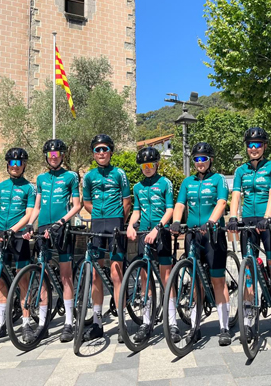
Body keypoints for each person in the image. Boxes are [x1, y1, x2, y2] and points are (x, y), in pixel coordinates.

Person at [228, 127, 271, 346]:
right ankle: (248, 321)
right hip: (248, 221)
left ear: (264, 146)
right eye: (250, 145)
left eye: (257, 144)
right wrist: (233, 217)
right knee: (248, 273)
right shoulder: (240, 171)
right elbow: (236, 195)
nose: (253, 148)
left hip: (269, 221)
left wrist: (266, 217)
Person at [170, 142, 231, 345]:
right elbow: (180, 203)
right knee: (196, 280)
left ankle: (224, 327)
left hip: (213, 233)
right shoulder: (187, 182)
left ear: (210, 160)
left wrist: (211, 221)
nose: (200, 162)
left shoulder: (218, 179)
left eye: (203, 158)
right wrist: (176, 221)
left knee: (217, 280)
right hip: (193, 235)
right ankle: (195, 325)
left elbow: (222, 202)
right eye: (196, 159)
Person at [23, 139, 82, 343]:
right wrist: (30, 224)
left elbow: (77, 205)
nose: (53, 157)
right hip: (43, 227)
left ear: (62, 156)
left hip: (62, 227)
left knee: (66, 275)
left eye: (56, 154)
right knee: (43, 275)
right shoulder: (41, 178)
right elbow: (37, 207)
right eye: (50, 155)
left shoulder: (70, 176)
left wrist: (61, 222)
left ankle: (69, 322)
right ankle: (43, 323)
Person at [0, 148, 36, 341]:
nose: (15, 166)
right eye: (12, 163)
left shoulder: (29, 188)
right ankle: (0, 323)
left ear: (24, 165)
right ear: (7, 165)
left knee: (23, 280)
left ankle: (26, 324)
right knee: (0, 280)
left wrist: (14, 229)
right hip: (1, 235)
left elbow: (29, 213)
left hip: (18, 236)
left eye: (19, 163)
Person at [81, 134, 132, 342]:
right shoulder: (89, 176)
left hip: (115, 223)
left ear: (110, 151)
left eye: (104, 149)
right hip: (97, 224)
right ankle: (97, 322)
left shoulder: (119, 173)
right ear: (93, 153)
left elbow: (127, 201)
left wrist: (119, 219)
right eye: (97, 149)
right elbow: (86, 202)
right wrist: (97, 214)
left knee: (116, 273)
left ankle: (121, 323)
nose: (101, 153)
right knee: (95, 274)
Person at [126, 147, 177, 343]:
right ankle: (146, 322)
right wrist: (130, 225)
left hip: (161, 232)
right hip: (143, 233)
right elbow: (136, 211)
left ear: (156, 164)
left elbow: (170, 209)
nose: (147, 168)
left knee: (166, 277)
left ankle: (172, 323)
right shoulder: (137, 187)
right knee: (144, 279)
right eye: (143, 165)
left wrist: (158, 228)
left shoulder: (165, 183)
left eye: (150, 165)